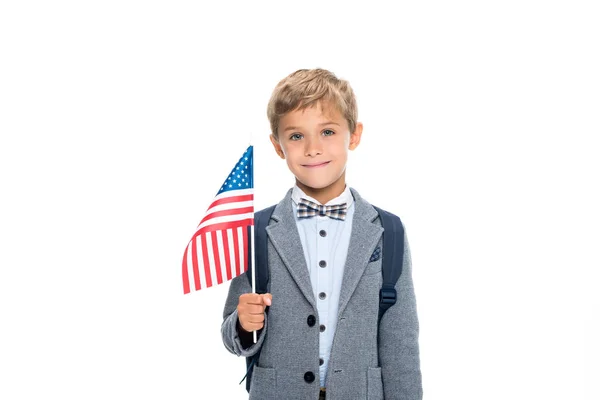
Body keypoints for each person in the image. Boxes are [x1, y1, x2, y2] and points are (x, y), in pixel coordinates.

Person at [221, 68, 422, 399]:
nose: (313, 148)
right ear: (277, 145)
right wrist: (244, 324)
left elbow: (401, 342)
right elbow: (232, 335)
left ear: (353, 136)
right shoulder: (256, 229)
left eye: (327, 131)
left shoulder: (389, 231)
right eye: (297, 136)